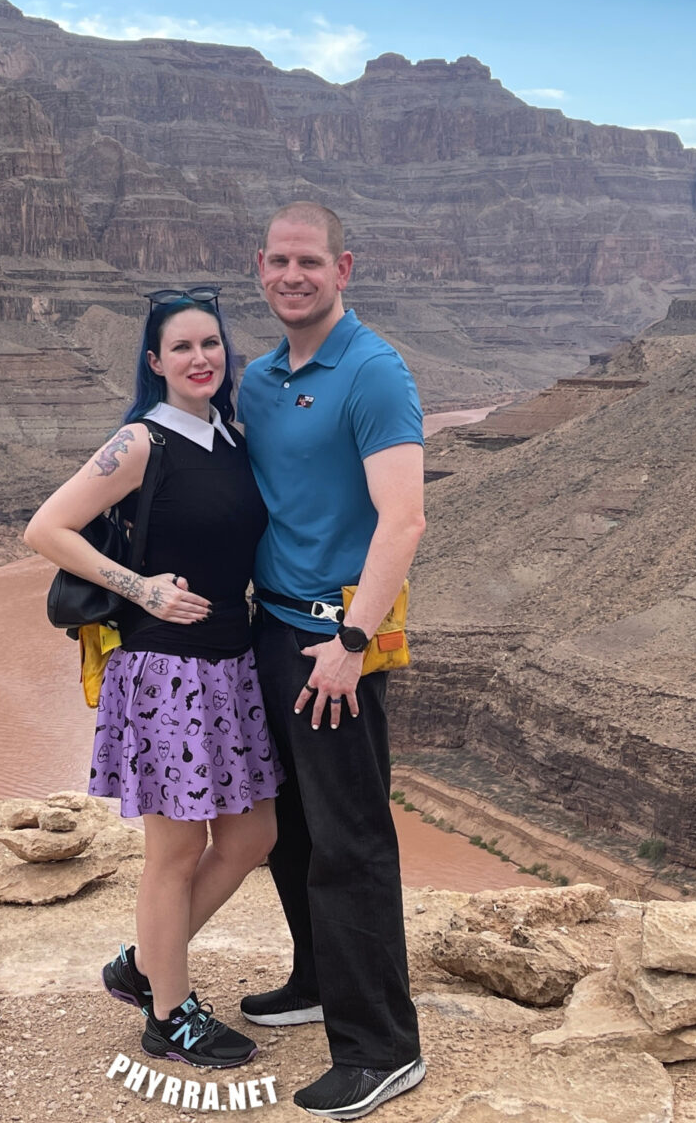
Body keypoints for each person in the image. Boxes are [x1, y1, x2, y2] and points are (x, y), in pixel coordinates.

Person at [23, 286, 281, 1070]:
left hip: (232, 666)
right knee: (175, 852)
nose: (200, 358)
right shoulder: (142, 443)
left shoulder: (232, 440)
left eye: (212, 345)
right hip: (166, 672)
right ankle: (170, 1014)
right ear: (154, 362)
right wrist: (144, 589)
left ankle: (141, 966)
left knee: (251, 837)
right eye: (183, 348)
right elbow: (47, 527)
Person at [236, 203, 428, 1119]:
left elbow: (404, 519)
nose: (292, 275)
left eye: (308, 260)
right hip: (271, 630)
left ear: (342, 266)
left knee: (351, 841)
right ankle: (317, 981)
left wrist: (352, 643)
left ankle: (382, 1047)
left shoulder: (374, 371)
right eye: (278, 261)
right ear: (259, 267)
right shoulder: (262, 377)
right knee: (294, 831)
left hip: (335, 641)